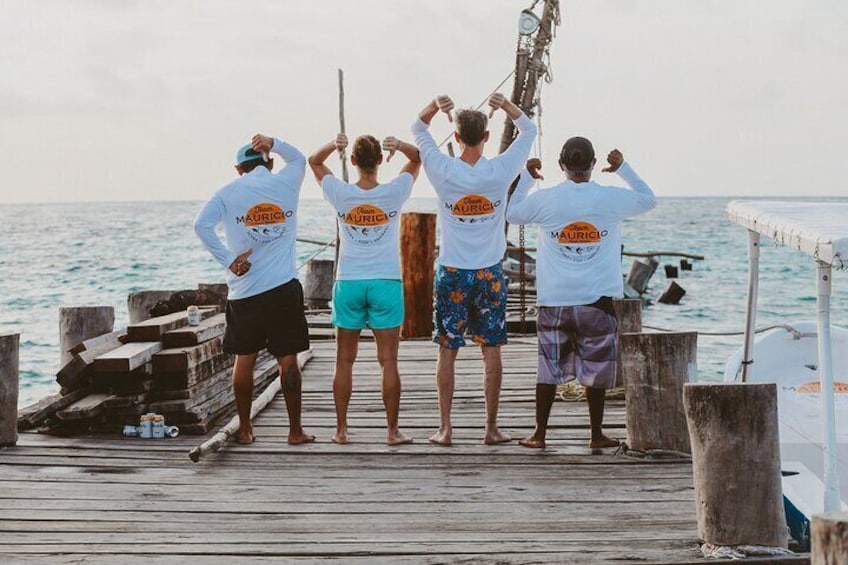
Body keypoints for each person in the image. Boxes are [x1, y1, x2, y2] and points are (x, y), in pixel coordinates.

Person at [505, 138, 657, 449]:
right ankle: (596, 434)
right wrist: (623, 168)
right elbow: (648, 199)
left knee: (548, 368)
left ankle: (539, 434)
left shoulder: (546, 199)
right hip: (597, 300)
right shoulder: (609, 198)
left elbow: (512, 213)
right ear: (593, 164)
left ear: (561, 165)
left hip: (554, 299)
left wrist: (526, 178)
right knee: (597, 369)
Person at [412, 92, 537, 445]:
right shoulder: (500, 170)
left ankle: (445, 429)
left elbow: (418, 128)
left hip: (452, 271)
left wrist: (435, 106)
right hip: (489, 273)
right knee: (491, 349)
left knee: (447, 349)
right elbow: (528, 130)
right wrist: (505, 105)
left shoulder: (442, 169)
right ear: (486, 137)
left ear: (456, 136)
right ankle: (491, 429)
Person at [194, 134, 314, 446]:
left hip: (245, 291)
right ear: (269, 163)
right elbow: (299, 158)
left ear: (238, 169)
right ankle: (295, 431)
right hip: (283, 288)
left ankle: (245, 430)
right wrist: (274, 142)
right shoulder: (286, 182)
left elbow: (201, 225)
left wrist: (229, 261)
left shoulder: (226, 193)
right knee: (288, 360)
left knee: (244, 360)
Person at [308, 132, 421, 445]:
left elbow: (314, 161)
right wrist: (400, 146)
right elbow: (417, 158)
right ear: (381, 160)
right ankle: (392, 432)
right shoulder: (394, 192)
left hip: (349, 281)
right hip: (386, 281)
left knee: (344, 360)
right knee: (389, 360)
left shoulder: (341, 193)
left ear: (354, 160)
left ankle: (341, 431)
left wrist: (334, 145)